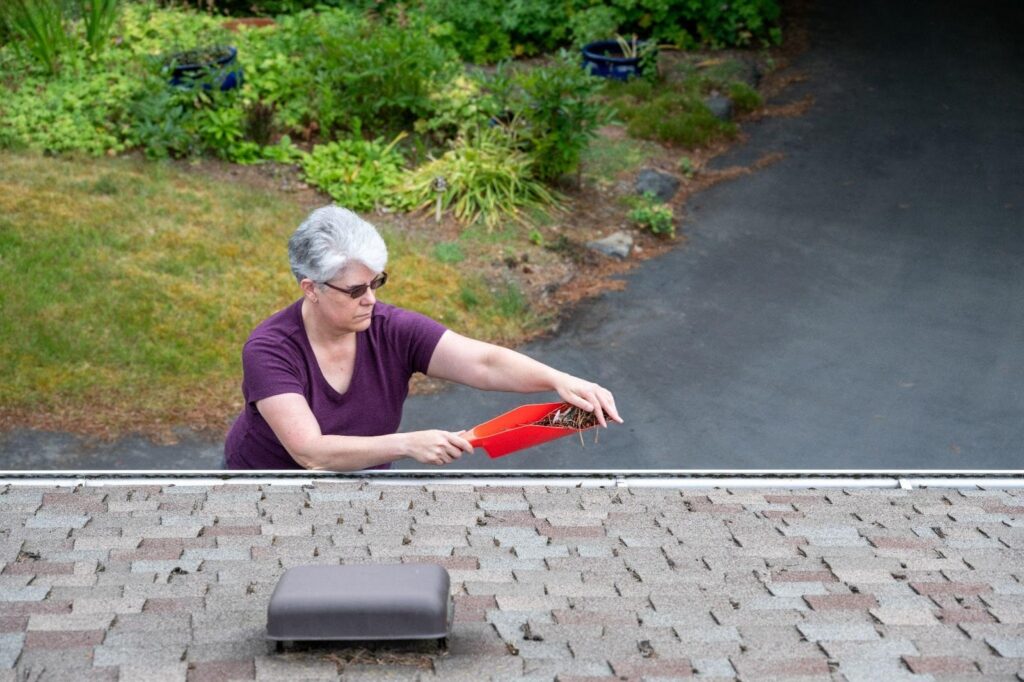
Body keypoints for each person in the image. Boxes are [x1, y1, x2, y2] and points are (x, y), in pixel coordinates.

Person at [224, 205, 622, 470]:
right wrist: (406, 444)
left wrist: (561, 381)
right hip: (267, 489)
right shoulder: (269, 350)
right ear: (311, 288)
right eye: (356, 290)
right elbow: (309, 451)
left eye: (376, 282)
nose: (372, 300)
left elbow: (483, 363)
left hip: (361, 483)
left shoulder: (391, 328)